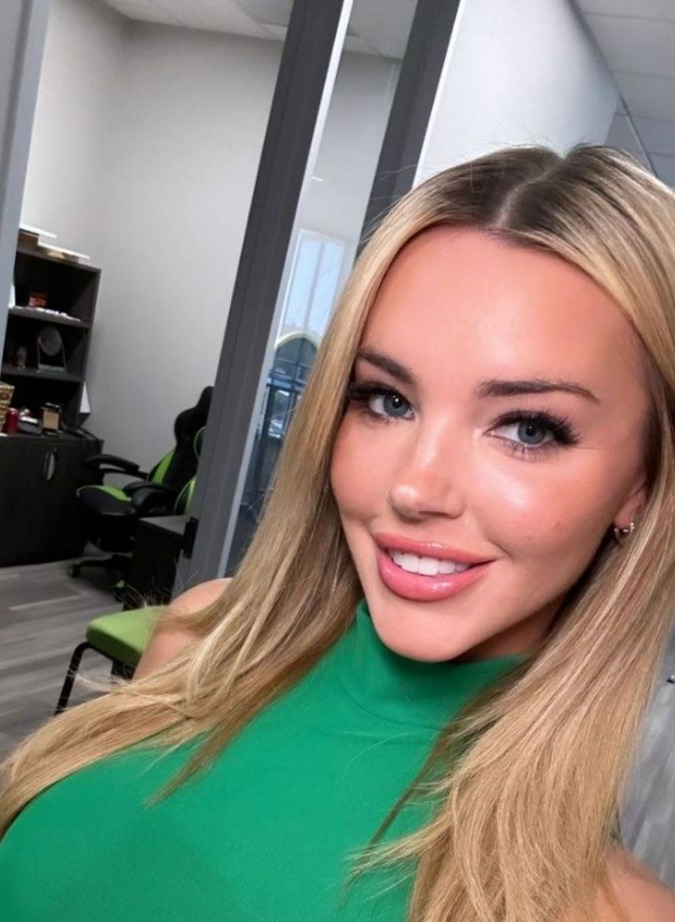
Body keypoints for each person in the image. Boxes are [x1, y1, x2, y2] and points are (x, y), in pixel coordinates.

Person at [2, 145, 675, 922]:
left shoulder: (608, 907)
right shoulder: (202, 637)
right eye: (387, 400)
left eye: (527, 427)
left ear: (641, 482)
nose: (414, 488)